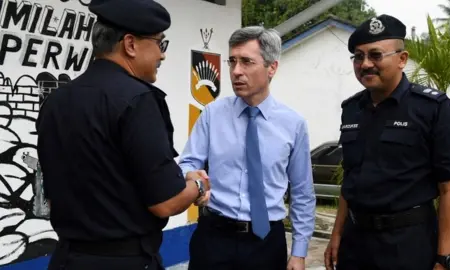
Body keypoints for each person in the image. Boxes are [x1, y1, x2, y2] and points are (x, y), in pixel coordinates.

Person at [36, 0, 209, 269]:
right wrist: (197, 185)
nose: (162, 55)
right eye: (159, 43)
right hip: (123, 260)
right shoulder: (137, 100)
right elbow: (166, 202)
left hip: (66, 259)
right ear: (130, 44)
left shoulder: (55, 100)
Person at [324, 14, 450, 270]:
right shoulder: (352, 109)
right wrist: (337, 233)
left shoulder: (433, 109)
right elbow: (351, 179)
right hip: (355, 244)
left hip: (407, 245)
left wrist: (445, 260)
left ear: (402, 59)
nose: (365, 64)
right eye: (358, 57)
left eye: (375, 55)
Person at [178, 26, 316, 270]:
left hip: (266, 243)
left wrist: (299, 252)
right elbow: (188, 164)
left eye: (246, 62)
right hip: (214, 238)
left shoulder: (293, 124)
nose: (236, 71)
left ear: (271, 67)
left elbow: (303, 192)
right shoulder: (212, 114)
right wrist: (192, 177)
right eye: (232, 61)